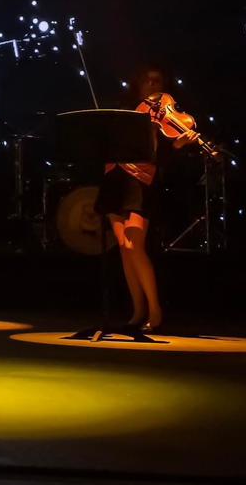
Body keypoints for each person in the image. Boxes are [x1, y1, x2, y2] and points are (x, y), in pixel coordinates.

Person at [96, 66, 198, 334]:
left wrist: (177, 146)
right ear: (138, 85)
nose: (152, 85)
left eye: (157, 81)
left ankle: (155, 309)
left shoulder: (166, 117)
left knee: (134, 245)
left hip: (141, 180)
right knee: (123, 246)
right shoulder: (126, 111)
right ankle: (137, 310)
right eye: (147, 81)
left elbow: (163, 161)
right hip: (115, 176)